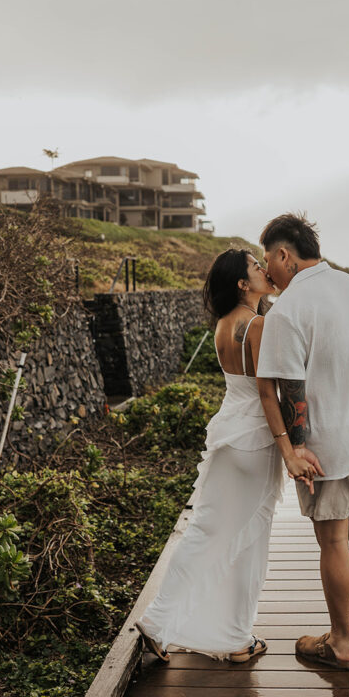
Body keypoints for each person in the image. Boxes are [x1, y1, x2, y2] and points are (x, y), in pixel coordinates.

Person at [134, 248, 320, 662]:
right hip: (256, 439)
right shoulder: (257, 325)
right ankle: (222, 635)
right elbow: (268, 394)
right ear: (242, 283)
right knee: (250, 542)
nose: (264, 270)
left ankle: (179, 624)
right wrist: (290, 449)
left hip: (227, 434)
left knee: (206, 531)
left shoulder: (224, 325)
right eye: (256, 267)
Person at [256, 213, 349, 670]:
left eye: (267, 261)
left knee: (334, 541)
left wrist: (295, 448)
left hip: (329, 443)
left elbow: (290, 389)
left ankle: (340, 642)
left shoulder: (289, 309)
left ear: (284, 255)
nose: (268, 272)